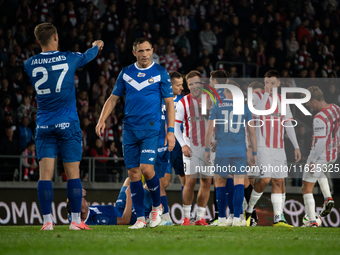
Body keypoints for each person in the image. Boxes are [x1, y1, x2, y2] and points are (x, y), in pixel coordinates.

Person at [24, 22, 104, 231]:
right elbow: (88, 55)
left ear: (37, 41)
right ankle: (76, 221)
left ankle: (47, 222)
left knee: (45, 175)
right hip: (68, 123)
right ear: (56, 37)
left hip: (44, 126)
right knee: (73, 174)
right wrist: (96, 45)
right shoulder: (69, 58)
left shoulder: (29, 64)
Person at [95, 37, 175, 229]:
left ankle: (157, 207)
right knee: (133, 173)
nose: (145, 54)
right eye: (141, 51)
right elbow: (113, 99)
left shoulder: (160, 73)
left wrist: (170, 131)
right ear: (134, 53)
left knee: (147, 169)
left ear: (152, 50)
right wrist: (101, 119)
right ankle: (140, 218)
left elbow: (170, 103)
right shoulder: (126, 73)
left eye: (148, 50)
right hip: (130, 129)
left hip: (151, 128)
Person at [245, 70, 301, 227]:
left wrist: (296, 146)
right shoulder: (257, 97)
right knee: (265, 179)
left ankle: (278, 218)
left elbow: (288, 123)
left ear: (279, 84)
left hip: (278, 147)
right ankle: (249, 209)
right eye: (266, 83)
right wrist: (267, 94)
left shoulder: (283, 101)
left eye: (272, 83)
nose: (269, 85)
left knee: (279, 180)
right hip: (262, 146)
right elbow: (257, 112)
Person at [205, 71, 257, 226]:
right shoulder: (245, 108)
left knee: (220, 182)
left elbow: (209, 131)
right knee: (239, 182)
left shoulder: (216, 106)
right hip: (240, 150)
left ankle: (221, 218)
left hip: (222, 150)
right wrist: (253, 152)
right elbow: (252, 132)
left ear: (226, 92)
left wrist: (207, 150)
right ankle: (236, 218)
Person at [175, 70, 213, 226]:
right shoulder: (183, 102)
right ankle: (185, 217)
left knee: (206, 182)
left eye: (197, 83)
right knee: (190, 182)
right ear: (187, 86)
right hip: (191, 147)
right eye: (190, 84)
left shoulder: (210, 100)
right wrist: (183, 145)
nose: (194, 86)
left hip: (209, 148)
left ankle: (200, 218)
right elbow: (176, 127)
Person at [302, 86, 339, 227]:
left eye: (308, 103)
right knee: (321, 172)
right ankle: (328, 197)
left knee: (306, 187)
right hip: (333, 154)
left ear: (314, 100)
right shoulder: (335, 108)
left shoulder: (319, 118)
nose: (308, 106)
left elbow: (320, 143)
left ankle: (312, 221)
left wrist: (312, 161)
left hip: (320, 155)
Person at [67, 178, 153, 226]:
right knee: (149, 185)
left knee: (130, 179)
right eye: (82, 200)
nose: (83, 198)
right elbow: (125, 221)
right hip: (129, 215)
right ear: (83, 210)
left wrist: (76, 193)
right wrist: (129, 198)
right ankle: (157, 208)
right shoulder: (98, 219)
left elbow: (69, 205)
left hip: (119, 208)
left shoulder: (73, 215)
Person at [161, 71, 185, 193]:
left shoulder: (184, 100)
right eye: (178, 85)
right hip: (164, 144)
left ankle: (187, 212)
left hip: (180, 146)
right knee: (164, 181)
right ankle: (154, 210)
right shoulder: (159, 99)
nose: (182, 87)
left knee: (186, 182)